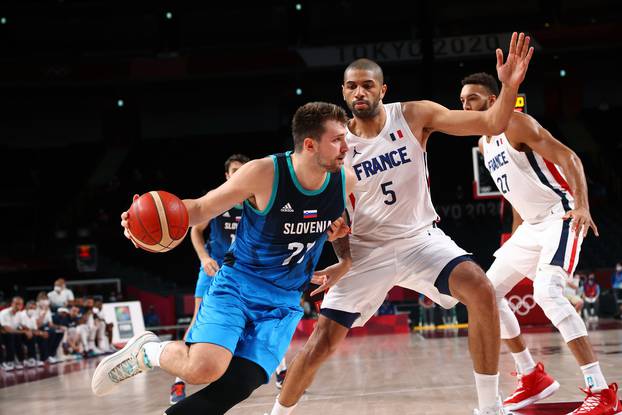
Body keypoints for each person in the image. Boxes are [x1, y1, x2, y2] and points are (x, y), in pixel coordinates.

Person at [271, 32, 534, 415]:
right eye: (351, 86)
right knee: (321, 343)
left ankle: (489, 408)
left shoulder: (413, 115)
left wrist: (509, 87)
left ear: (382, 89)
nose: (359, 92)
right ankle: (277, 413)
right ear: (343, 92)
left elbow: (492, 122)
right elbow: (332, 211)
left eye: (367, 85)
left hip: (419, 239)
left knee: (480, 288)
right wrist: (342, 256)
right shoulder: (334, 142)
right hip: (365, 250)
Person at [91, 101, 355, 415]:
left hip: (284, 300)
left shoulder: (345, 180)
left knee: (242, 382)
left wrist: (344, 262)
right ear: (310, 144)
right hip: (239, 285)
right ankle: (147, 352)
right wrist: (142, 219)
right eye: (337, 139)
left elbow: (339, 223)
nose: (346, 146)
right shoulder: (264, 172)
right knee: (203, 368)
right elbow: (201, 208)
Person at [460, 71, 620, 413]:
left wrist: (581, 204)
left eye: (472, 99)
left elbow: (570, 158)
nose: (465, 105)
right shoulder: (483, 144)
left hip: (559, 215)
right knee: (485, 293)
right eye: (461, 101)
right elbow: (517, 192)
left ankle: (601, 391)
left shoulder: (516, 124)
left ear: (491, 101)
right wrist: (518, 231)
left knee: (547, 293)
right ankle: (531, 375)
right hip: (531, 226)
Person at [170, 153, 250, 404]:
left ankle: (281, 372)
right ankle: (178, 382)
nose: (239, 174)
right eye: (234, 170)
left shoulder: (256, 200)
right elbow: (196, 231)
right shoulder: (220, 198)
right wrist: (204, 257)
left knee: (258, 319)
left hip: (243, 271)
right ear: (227, 176)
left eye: (243, 170)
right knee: (196, 321)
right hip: (213, 267)